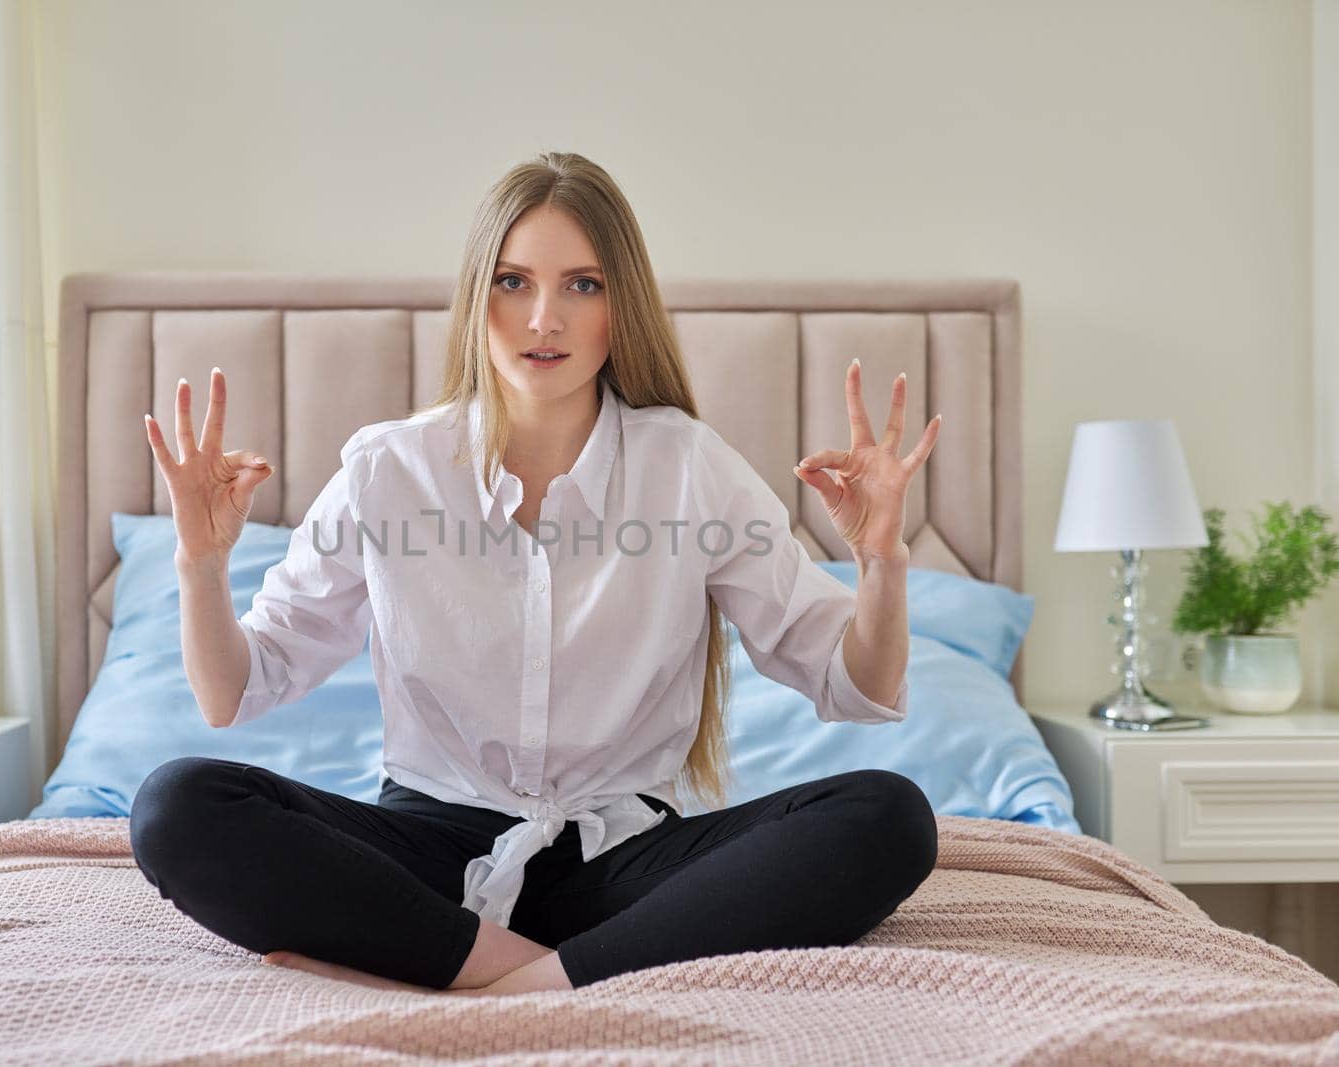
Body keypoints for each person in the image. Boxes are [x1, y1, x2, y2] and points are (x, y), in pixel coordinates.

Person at [128, 151, 942, 998]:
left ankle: (491, 980)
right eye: (514, 282)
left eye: (582, 285)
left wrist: (881, 562)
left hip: (624, 869)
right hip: (429, 861)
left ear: (619, 304)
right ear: (477, 296)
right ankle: (546, 973)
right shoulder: (389, 469)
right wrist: (201, 562)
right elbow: (235, 691)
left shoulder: (689, 466)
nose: (543, 317)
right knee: (177, 805)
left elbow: (855, 687)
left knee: (887, 817)